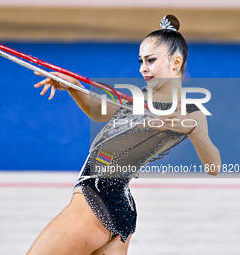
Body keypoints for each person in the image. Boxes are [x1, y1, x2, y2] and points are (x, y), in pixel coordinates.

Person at [28, 14, 221, 255]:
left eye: (151, 60)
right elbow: (98, 113)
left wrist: (193, 131)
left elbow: (214, 166)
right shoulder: (135, 97)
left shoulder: (189, 113)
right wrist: (72, 88)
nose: (143, 68)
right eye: (141, 61)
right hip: (118, 206)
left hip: (97, 199)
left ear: (176, 61)